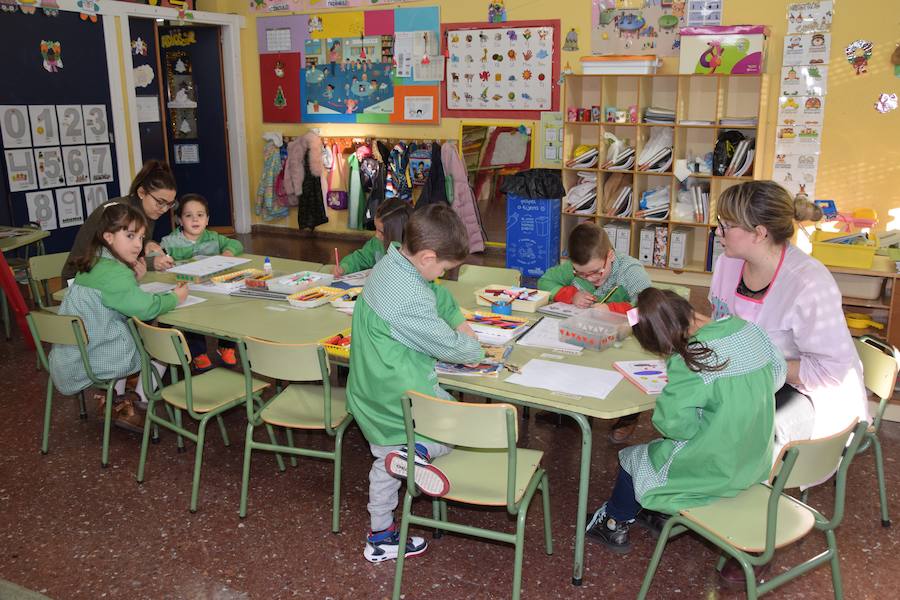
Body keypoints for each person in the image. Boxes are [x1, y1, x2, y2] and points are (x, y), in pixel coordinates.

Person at [586, 288, 786, 555]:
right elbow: (777, 375)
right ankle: (658, 513)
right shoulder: (749, 330)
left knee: (634, 458)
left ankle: (613, 522)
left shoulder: (692, 359)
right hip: (755, 459)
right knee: (663, 452)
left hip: (715, 467)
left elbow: (675, 426)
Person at [347, 203, 484, 563]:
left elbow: (435, 296)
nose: (443, 274)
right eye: (444, 268)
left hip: (370, 393)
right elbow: (454, 348)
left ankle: (380, 537)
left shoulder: (390, 264)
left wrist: (453, 314)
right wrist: (474, 345)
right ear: (426, 257)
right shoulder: (408, 298)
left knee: (384, 462)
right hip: (402, 400)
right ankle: (415, 453)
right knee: (460, 431)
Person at [708, 181, 868, 451]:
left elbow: (830, 372)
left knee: (742, 438)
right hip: (751, 380)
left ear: (759, 233)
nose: (718, 231)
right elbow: (722, 325)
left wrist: (757, 365)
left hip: (810, 393)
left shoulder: (808, 283)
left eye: (726, 225)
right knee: (695, 413)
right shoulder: (727, 264)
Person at [49, 203, 188, 432]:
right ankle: (135, 400)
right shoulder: (115, 273)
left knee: (127, 330)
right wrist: (176, 297)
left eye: (141, 237)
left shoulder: (93, 263)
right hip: (99, 358)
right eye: (130, 235)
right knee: (165, 343)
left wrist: (132, 277)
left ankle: (116, 395)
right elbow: (145, 309)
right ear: (108, 237)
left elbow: (114, 300)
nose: (137, 244)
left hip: (70, 357)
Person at [538, 222, 651, 442]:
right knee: (567, 356)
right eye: (581, 274)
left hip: (625, 342)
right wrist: (570, 295)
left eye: (596, 272)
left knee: (622, 371)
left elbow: (648, 308)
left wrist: (611, 309)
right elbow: (544, 282)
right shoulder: (574, 269)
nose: (590, 279)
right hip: (586, 336)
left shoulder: (630, 270)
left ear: (610, 256)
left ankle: (627, 415)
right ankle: (570, 405)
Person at [161, 194, 243, 369]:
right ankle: (198, 353)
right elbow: (156, 256)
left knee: (229, 308)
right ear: (179, 220)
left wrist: (228, 252)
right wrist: (159, 258)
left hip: (211, 287)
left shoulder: (213, 237)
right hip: (187, 290)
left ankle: (226, 346)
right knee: (191, 318)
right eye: (188, 215)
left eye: (200, 215)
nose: (195, 219)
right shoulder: (170, 241)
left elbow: (236, 245)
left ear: (207, 219)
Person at [63, 160, 177, 282]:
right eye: (160, 202)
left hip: (110, 275)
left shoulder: (148, 211)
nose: (164, 209)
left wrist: (148, 245)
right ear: (142, 192)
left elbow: (127, 257)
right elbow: (114, 260)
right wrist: (149, 262)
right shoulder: (120, 213)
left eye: (169, 204)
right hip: (81, 280)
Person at [333, 198, 412, 277]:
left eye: (382, 232)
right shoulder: (376, 243)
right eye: (376, 229)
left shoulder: (414, 250)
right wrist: (344, 267)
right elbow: (360, 258)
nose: (376, 235)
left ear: (399, 231)